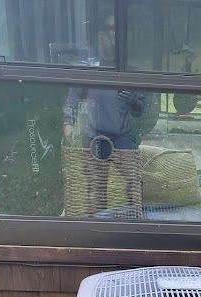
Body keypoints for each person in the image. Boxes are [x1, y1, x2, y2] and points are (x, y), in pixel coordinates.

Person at [62, 14, 146, 213]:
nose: (113, 35)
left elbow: (140, 110)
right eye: (110, 29)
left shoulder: (131, 69)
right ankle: (96, 227)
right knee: (96, 186)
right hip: (94, 136)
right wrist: (68, 120)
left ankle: (135, 221)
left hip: (123, 136)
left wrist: (132, 100)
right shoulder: (89, 67)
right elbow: (73, 96)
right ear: (101, 35)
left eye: (118, 31)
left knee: (134, 182)